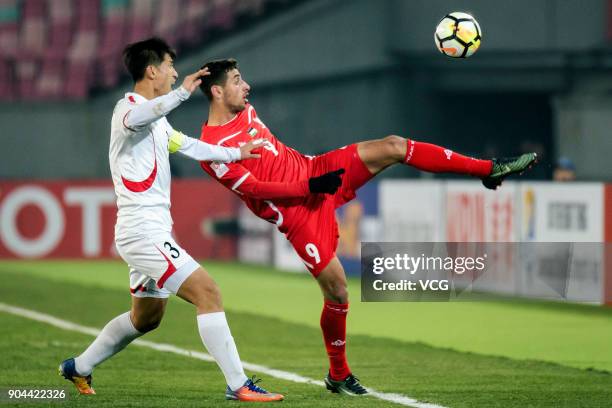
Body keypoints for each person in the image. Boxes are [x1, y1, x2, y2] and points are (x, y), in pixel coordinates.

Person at [197, 59, 537, 396]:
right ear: (216, 91)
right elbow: (255, 190)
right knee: (339, 292)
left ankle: (487, 169)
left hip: (317, 170)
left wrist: (313, 180)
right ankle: (338, 374)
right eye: (238, 80)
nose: (247, 86)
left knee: (393, 145)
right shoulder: (211, 149)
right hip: (298, 212)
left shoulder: (244, 109)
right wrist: (310, 188)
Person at [58, 39, 283, 402]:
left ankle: (78, 367)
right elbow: (141, 117)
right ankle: (238, 384)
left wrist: (236, 153)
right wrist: (182, 94)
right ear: (152, 71)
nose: (175, 72)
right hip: (142, 230)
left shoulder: (159, 124)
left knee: (146, 318)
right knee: (208, 292)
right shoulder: (127, 110)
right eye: (169, 65)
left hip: (152, 229)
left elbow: (190, 145)